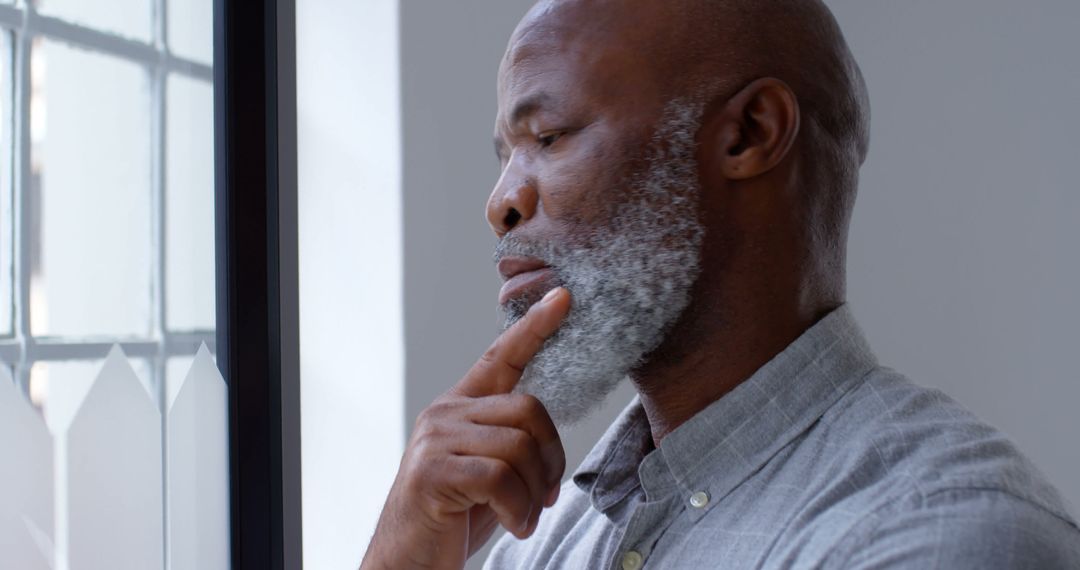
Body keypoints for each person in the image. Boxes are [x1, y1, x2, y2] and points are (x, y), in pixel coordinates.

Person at [362, 0, 1080, 568]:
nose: (501, 203)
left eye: (547, 136)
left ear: (749, 133)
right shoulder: (536, 539)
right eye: (505, 155)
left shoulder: (946, 534)